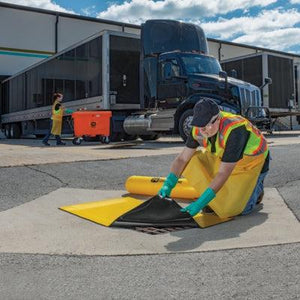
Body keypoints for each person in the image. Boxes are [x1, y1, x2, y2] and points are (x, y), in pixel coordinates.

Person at [158, 98, 270, 218]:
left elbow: (223, 173)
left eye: (206, 125)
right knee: (191, 161)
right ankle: (218, 197)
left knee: (233, 210)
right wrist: (168, 184)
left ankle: (256, 190)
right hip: (225, 159)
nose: (203, 130)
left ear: (218, 118)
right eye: (200, 125)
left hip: (251, 164)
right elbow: (182, 159)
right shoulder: (199, 128)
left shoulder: (235, 130)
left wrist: (201, 202)